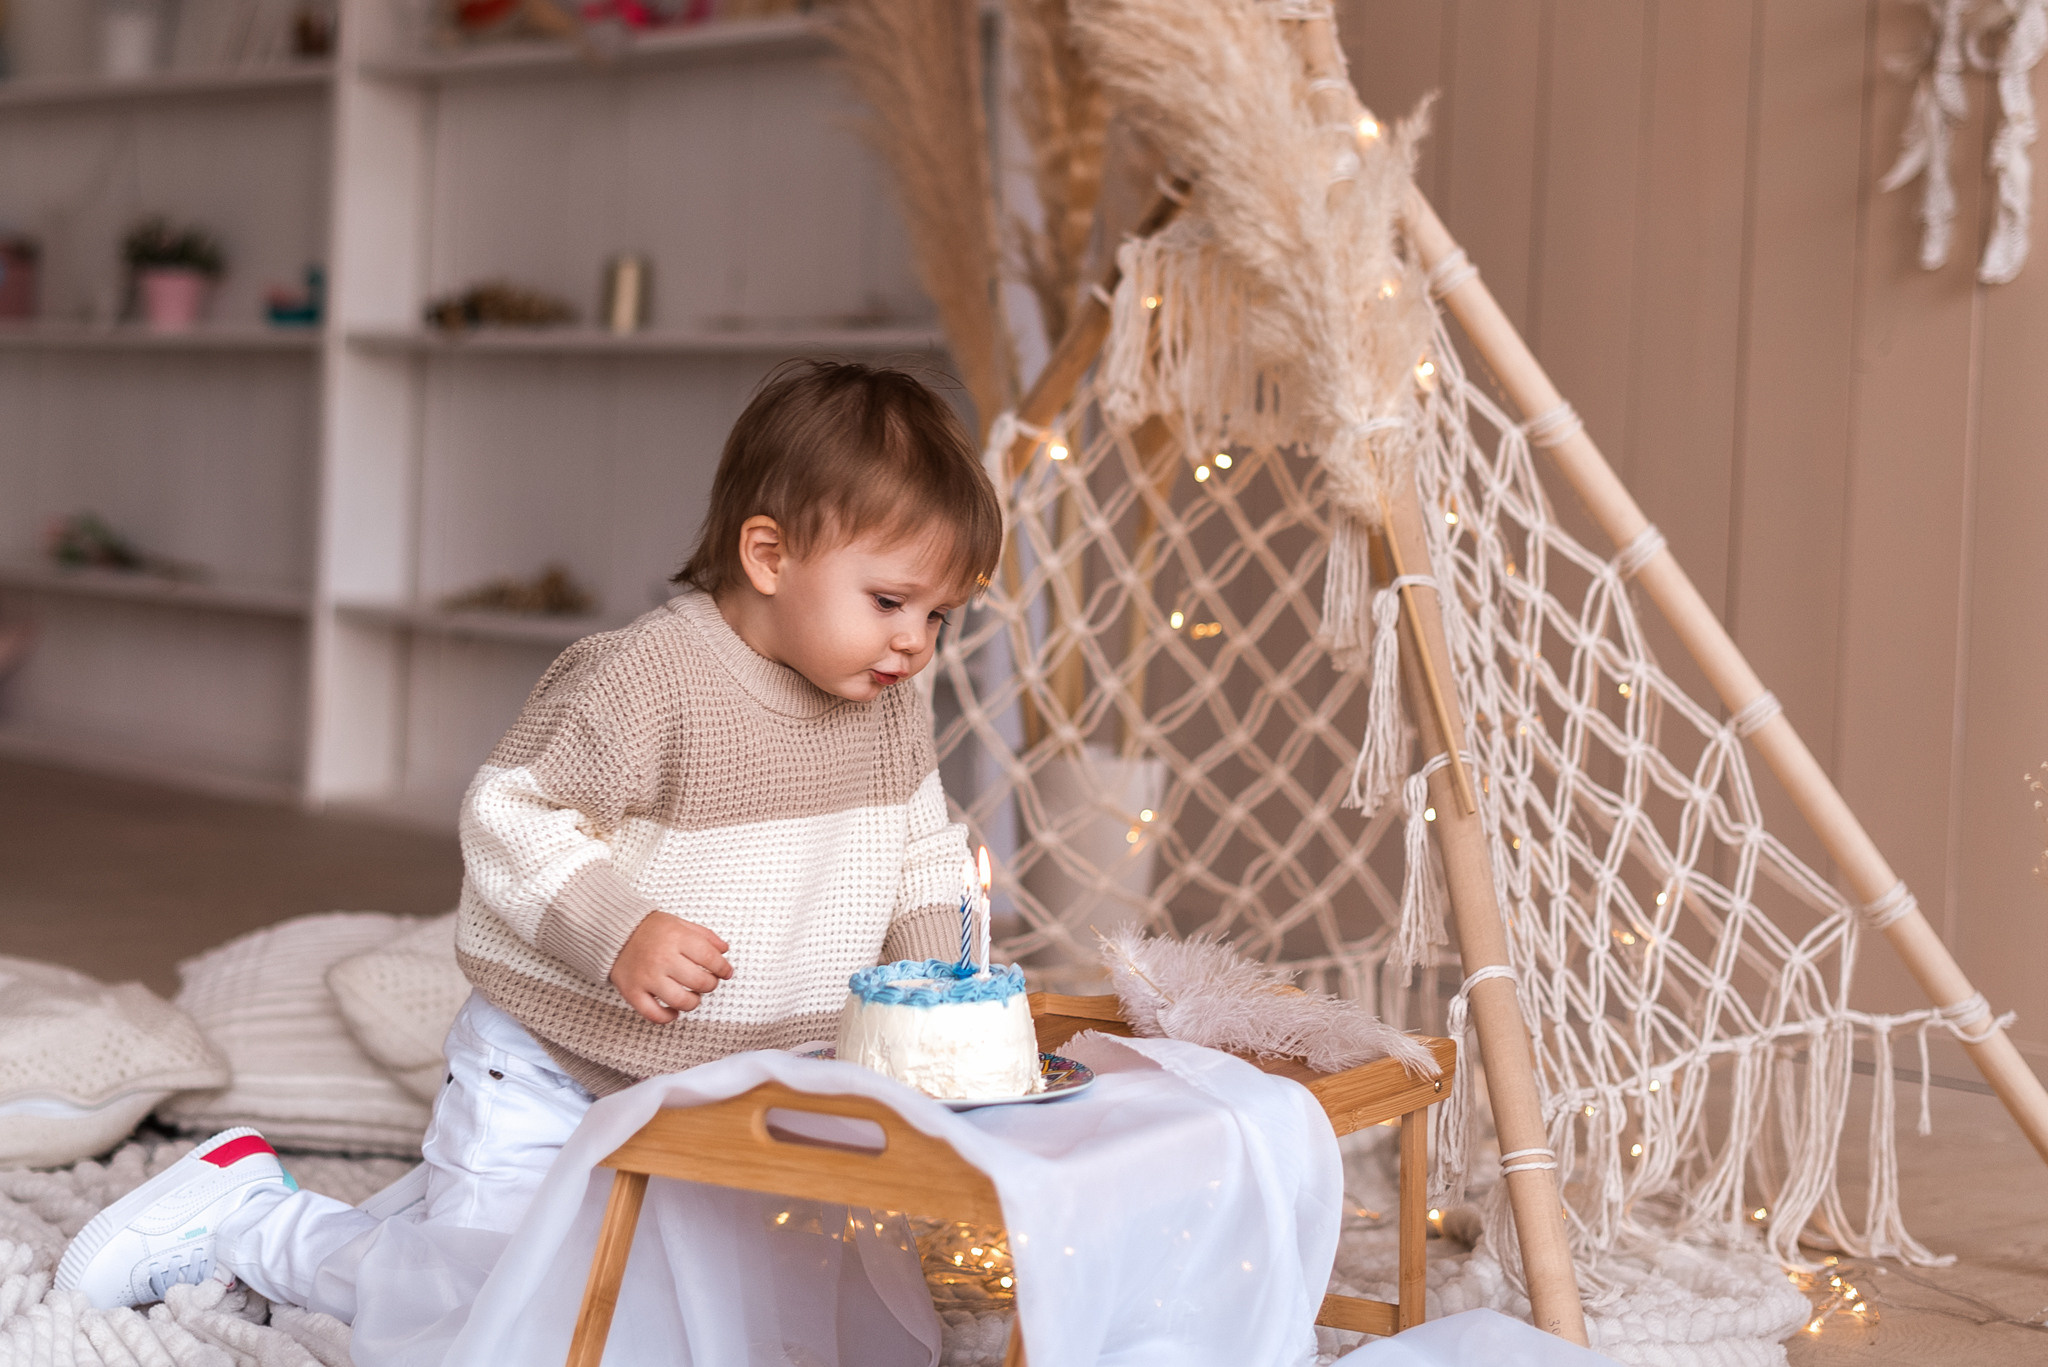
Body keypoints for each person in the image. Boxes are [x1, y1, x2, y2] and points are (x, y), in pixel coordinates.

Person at [57, 361, 1003, 1317]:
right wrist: (618, 927)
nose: (916, 641)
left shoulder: (886, 708)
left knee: (693, 1309)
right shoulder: (651, 677)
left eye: (938, 614)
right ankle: (245, 1222)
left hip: (724, 1097)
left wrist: (943, 997)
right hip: (554, 1071)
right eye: (889, 602)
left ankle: (389, 1232)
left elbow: (921, 853)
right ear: (768, 555)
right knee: (493, 1309)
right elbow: (512, 814)